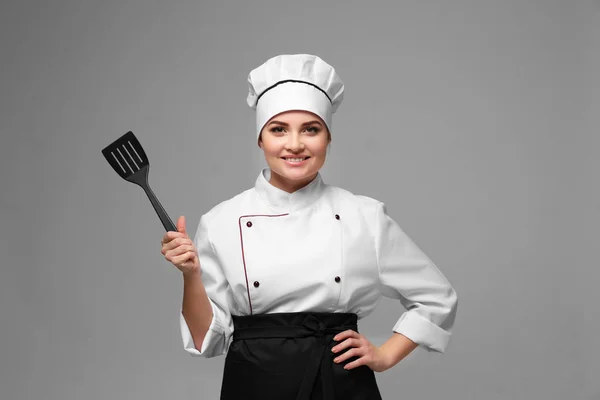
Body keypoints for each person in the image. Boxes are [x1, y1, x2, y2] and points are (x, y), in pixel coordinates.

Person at [160, 54, 458, 400]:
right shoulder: (221, 221)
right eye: (278, 129)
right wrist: (190, 275)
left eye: (311, 129)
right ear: (260, 139)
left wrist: (386, 354)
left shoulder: (363, 215)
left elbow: (437, 297)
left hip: (340, 385)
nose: (295, 144)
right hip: (254, 386)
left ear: (328, 138)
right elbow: (206, 341)